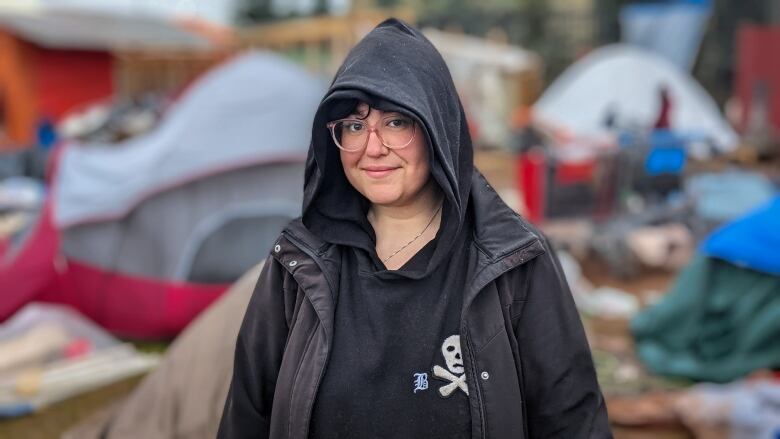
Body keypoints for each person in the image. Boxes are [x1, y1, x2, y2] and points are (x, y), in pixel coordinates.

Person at [218, 19, 611, 438]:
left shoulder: (514, 261)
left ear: (437, 125)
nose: (373, 147)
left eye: (395, 122)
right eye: (353, 125)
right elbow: (246, 417)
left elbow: (572, 422)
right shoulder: (298, 263)